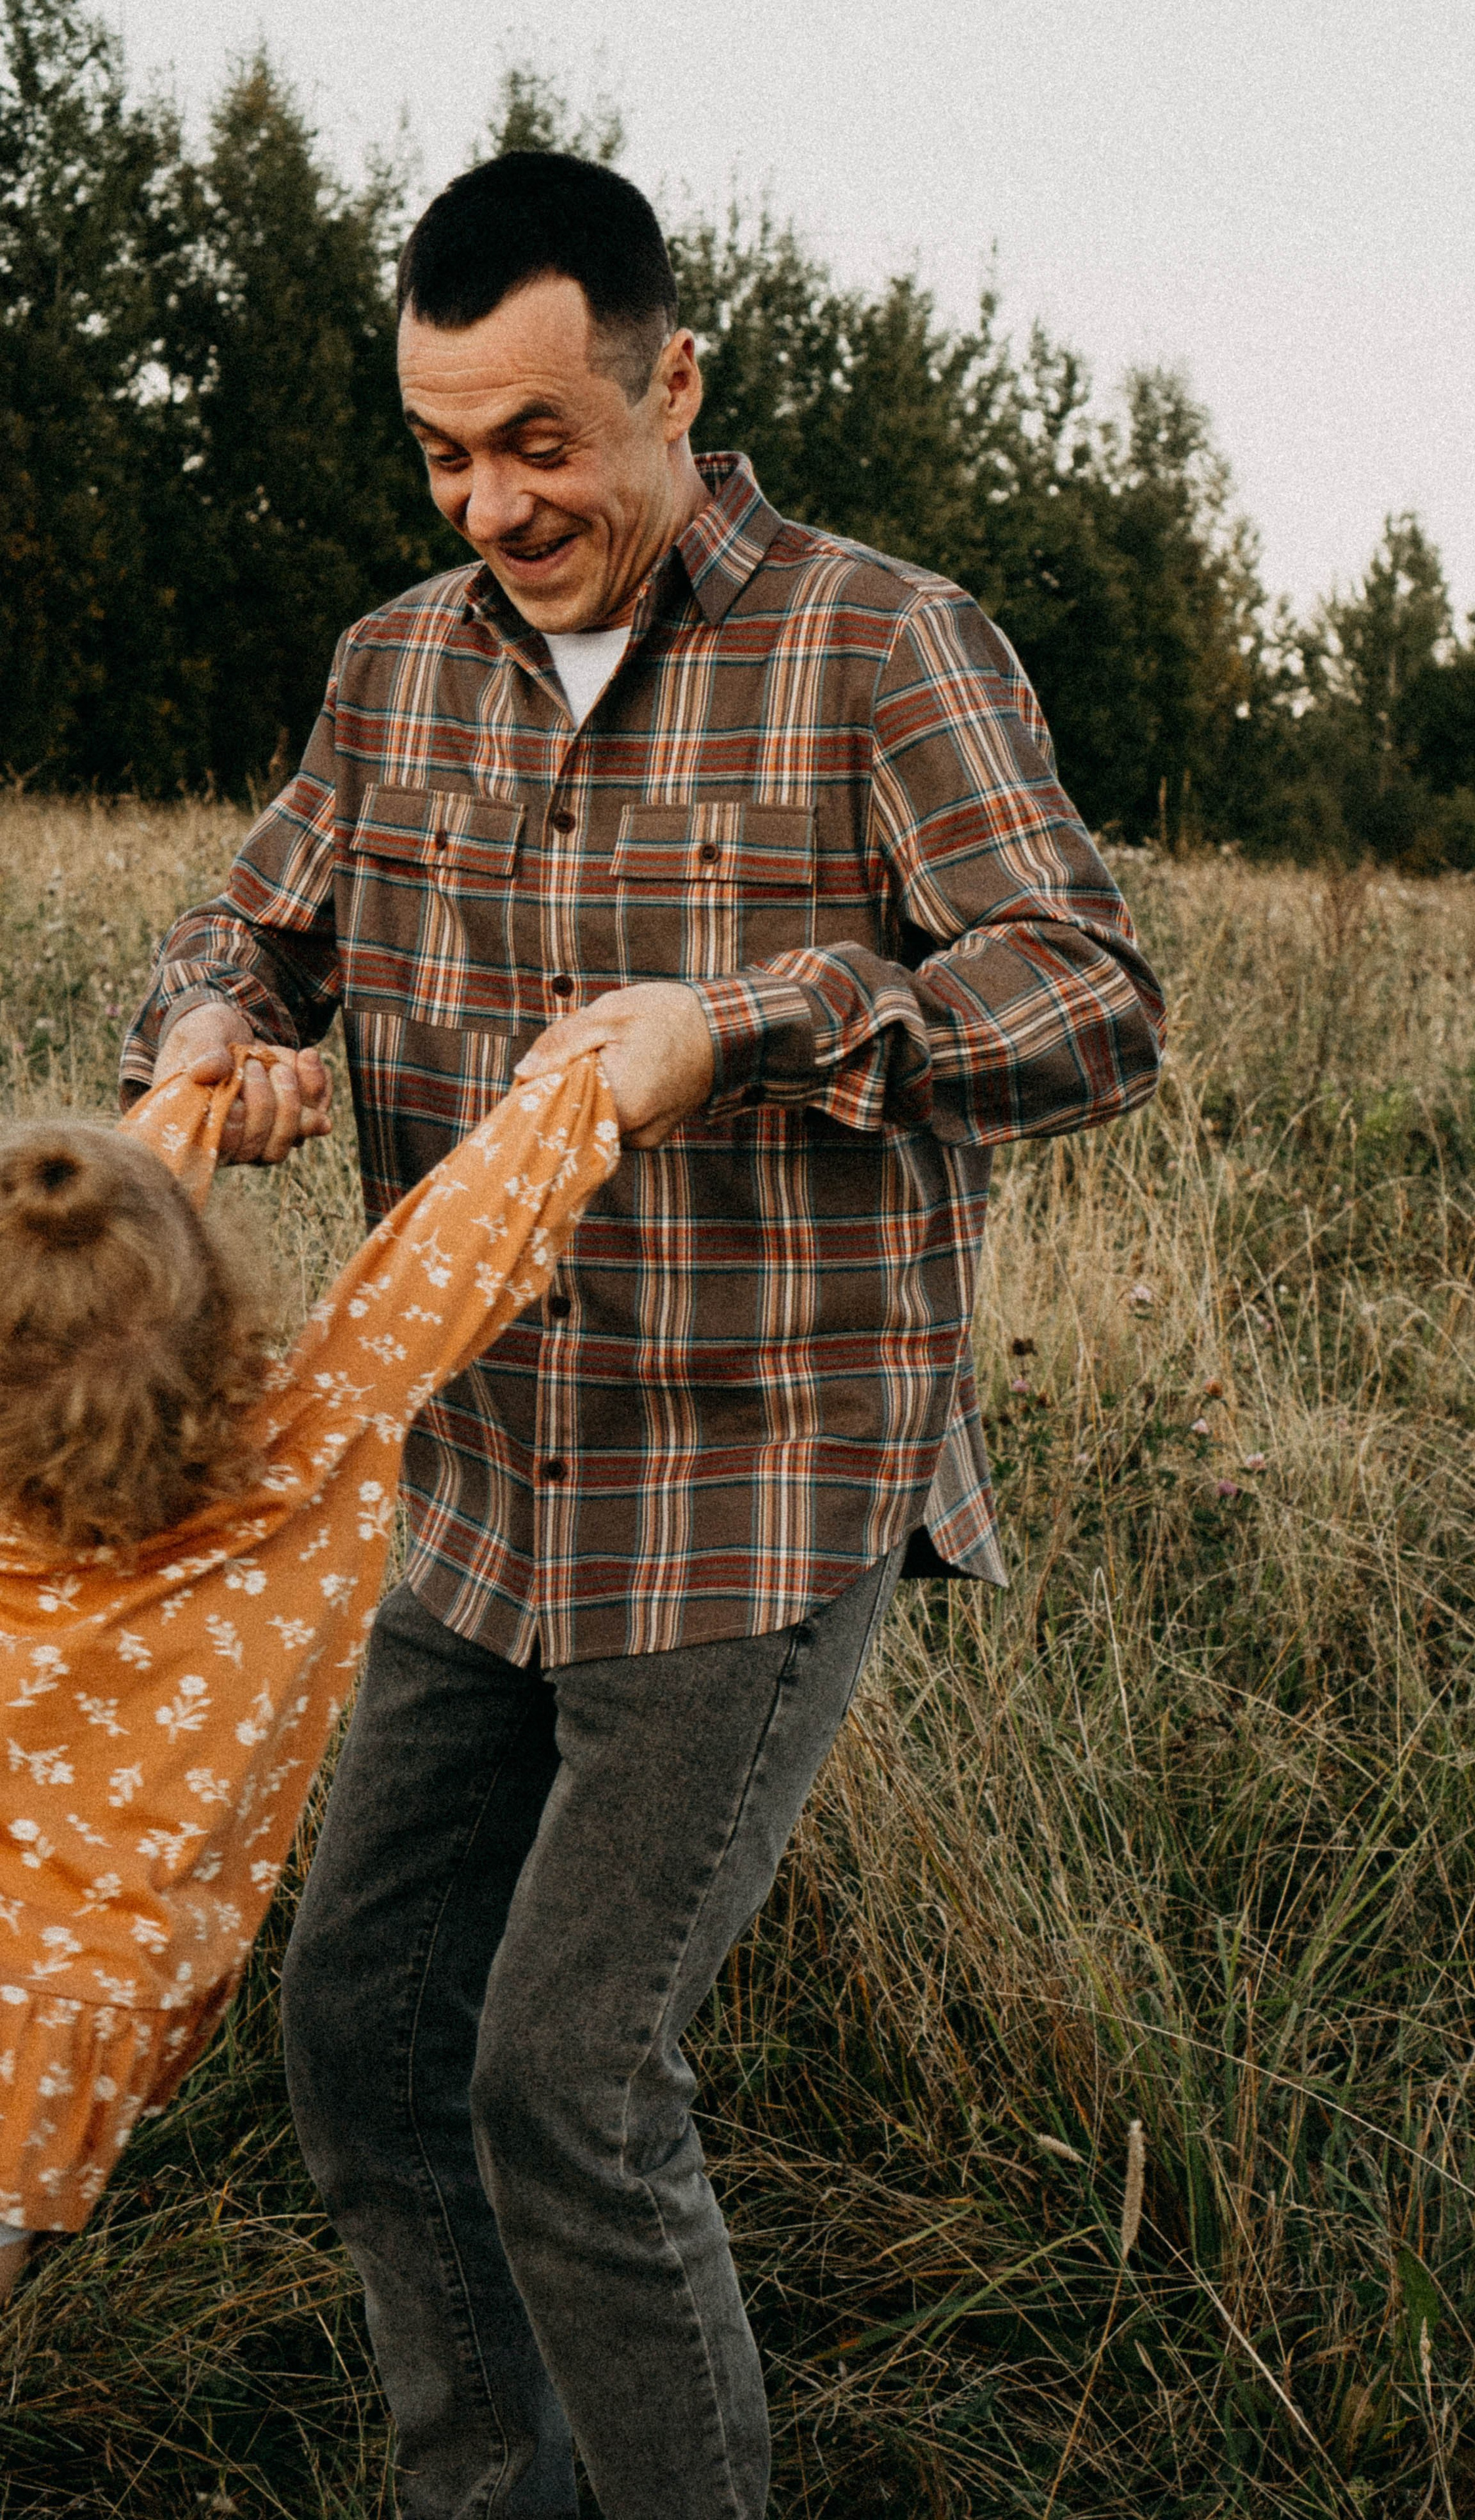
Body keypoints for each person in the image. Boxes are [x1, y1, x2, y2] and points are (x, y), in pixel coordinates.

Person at [122, 150, 1165, 2520]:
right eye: (444, 450)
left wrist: (763, 1023)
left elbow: (1094, 996)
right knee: (367, 2040)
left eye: (542, 440)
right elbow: (245, 928)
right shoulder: (393, 669)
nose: (494, 499)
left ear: (675, 382)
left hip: (757, 1474)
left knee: (565, 2084)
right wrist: (220, 1046)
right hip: (472, 1487)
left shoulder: (884, 643)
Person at [0, 1045, 616, 2309]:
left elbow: (56, 1288)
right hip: (59, 2039)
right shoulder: (290, 1475)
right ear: (212, 1308)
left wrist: (188, 1110)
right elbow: (452, 1255)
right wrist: (591, 1084)